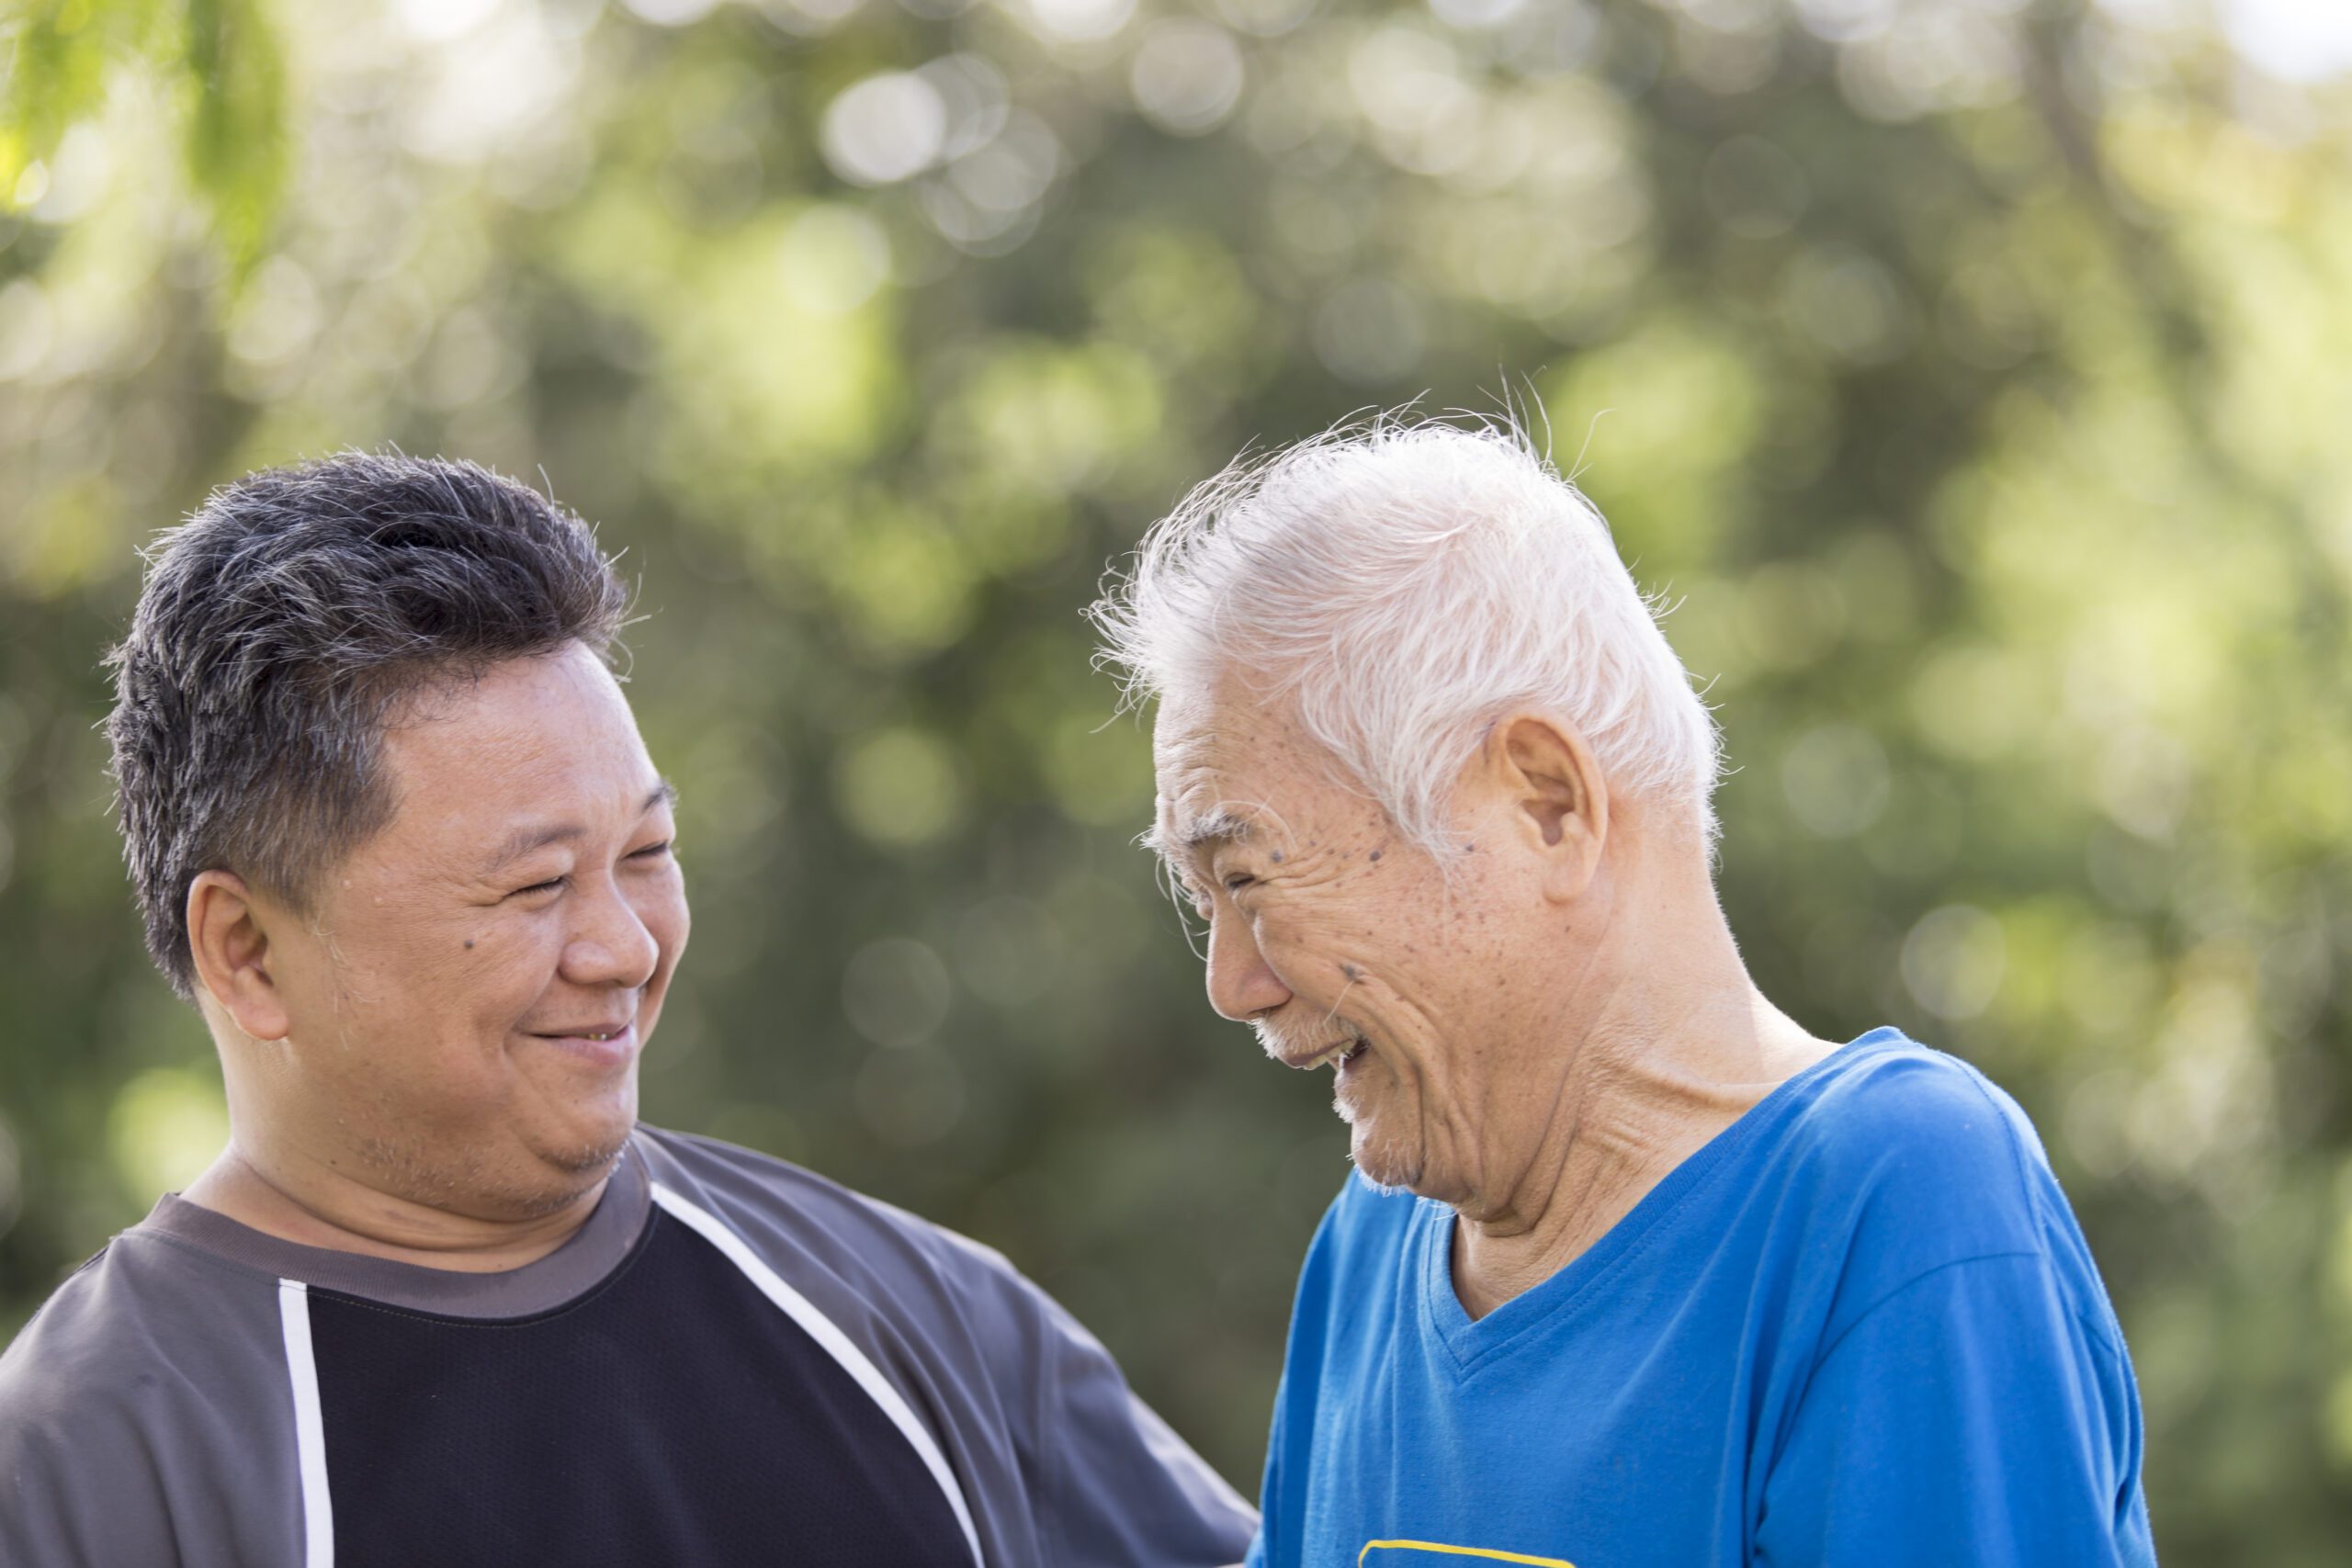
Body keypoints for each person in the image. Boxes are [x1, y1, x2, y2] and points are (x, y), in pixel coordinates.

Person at [0, 455, 1253, 1568]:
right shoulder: (90, 1466)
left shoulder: (915, 1318)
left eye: (647, 851)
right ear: (247, 951)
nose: (626, 941)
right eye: (536, 881)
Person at [1091, 416, 2157, 1566]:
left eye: (1251, 878)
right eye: (1205, 904)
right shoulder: (1367, 1250)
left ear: (1546, 806)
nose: (1232, 984)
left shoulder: (1891, 1200)